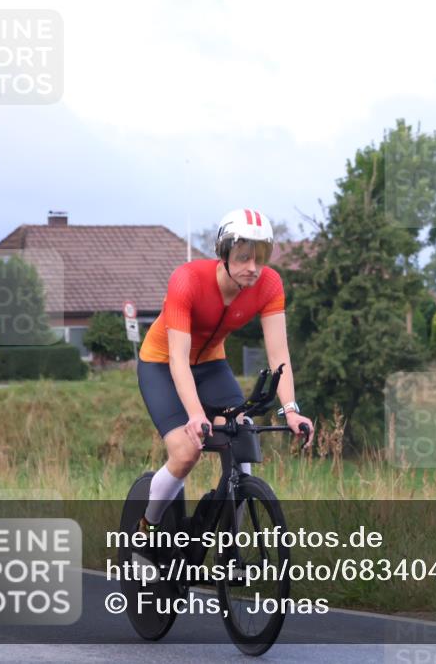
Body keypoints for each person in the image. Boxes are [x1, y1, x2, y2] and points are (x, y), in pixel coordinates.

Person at [134, 208, 314, 546]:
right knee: (187, 452)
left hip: (211, 364)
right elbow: (177, 359)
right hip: (161, 364)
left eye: (260, 259)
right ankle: (148, 529)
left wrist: (290, 409)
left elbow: (279, 355)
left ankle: (230, 544)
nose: (253, 268)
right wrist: (197, 415)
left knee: (242, 438)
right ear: (224, 254)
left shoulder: (270, 284)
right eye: (244, 258)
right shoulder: (187, 280)